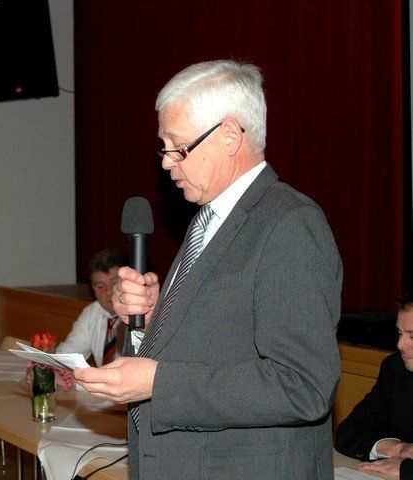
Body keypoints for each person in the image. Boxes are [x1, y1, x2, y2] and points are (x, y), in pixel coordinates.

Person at [73, 59, 343, 479]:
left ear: (230, 135)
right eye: (164, 147)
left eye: (178, 146)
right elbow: (216, 339)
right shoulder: (208, 219)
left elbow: (303, 386)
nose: (167, 162)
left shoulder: (289, 223)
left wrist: (158, 383)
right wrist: (152, 317)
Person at [335, 292, 413, 479]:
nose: (401, 344)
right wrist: (399, 448)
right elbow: (348, 432)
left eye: (412, 336)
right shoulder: (395, 368)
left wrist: (407, 470)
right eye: (400, 333)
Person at [57, 249, 126, 366]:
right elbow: (67, 356)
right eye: (100, 286)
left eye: (114, 283)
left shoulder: (141, 315)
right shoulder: (91, 312)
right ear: (93, 288)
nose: (109, 292)